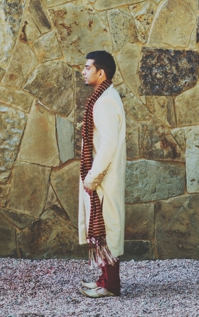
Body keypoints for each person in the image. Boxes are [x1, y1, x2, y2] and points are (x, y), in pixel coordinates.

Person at [78, 50, 126, 298]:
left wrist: (92, 177)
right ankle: (105, 280)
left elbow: (108, 144)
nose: (83, 71)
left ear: (101, 72)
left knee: (106, 230)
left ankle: (110, 286)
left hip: (103, 178)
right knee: (104, 230)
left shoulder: (105, 101)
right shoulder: (105, 96)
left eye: (87, 67)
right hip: (101, 176)